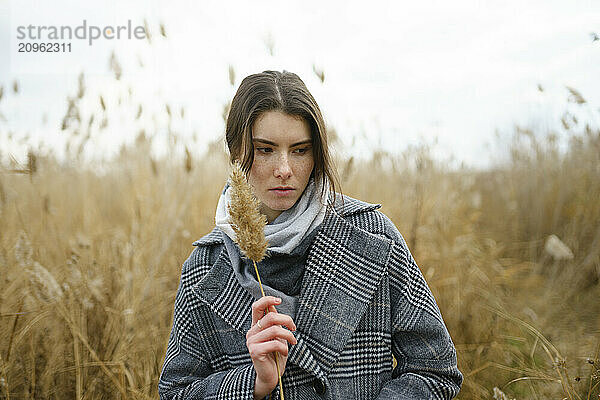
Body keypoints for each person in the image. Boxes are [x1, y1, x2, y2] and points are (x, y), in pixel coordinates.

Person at [158, 70, 463, 399]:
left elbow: (435, 370)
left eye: (300, 150)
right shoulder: (204, 267)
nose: (285, 169)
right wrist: (254, 383)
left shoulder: (373, 236)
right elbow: (176, 392)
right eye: (265, 150)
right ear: (236, 152)